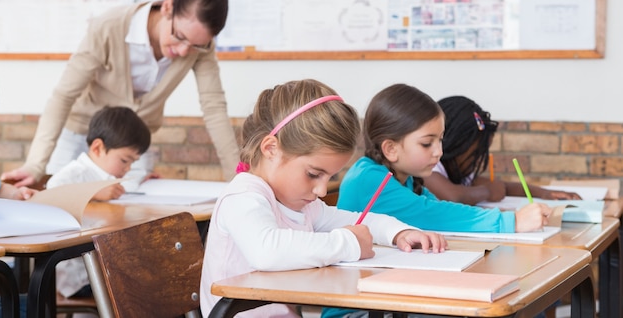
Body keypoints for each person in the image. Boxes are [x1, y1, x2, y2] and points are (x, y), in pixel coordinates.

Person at [200, 79, 447, 317]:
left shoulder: (299, 203)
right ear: (271, 149)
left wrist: (399, 233)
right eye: (313, 174)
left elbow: (351, 220)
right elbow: (267, 251)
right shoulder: (243, 196)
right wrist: (349, 244)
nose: (321, 190)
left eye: (329, 177)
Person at [1, 0, 239, 191]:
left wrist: (237, 180)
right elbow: (64, 95)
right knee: (58, 206)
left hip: (131, 145)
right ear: (167, 7)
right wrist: (35, 164)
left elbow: (214, 108)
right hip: (81, 134)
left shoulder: (201, 48)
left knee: (132, 215)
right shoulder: (109, 27)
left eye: (196, 45)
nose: (185, 51)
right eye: (179, 37)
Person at [336, 84, 552, 234]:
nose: (439, 151)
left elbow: (440, 207)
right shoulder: (369, 180)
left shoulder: (404, 178)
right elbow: (435, 214)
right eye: (427, 143)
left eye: (440, 140)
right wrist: (513, 221)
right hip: (357, 294)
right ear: (391, 148)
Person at [46, 105, 151, 300]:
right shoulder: (75, 174)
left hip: (100, 268)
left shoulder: (107, 176)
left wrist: (145, 180)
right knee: (149, 284)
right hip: (80, 277)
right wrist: (92, 192)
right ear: (97, 147)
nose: (128, 168)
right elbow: (51, 194)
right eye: (124, 160)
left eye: (132, 163)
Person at [425, 95, 581, 205]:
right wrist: (486, 192)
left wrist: (543, 193)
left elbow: (502, 186)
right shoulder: (428, 166)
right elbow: (454, 197)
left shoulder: (458, 172)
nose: (479, 160)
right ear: (454, 144)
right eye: (475, 154)